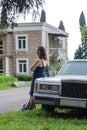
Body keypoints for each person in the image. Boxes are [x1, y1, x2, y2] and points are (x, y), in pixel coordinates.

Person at [21, 45, 48, 110]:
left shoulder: (38, 60)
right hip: (42, 78)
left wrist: (34, 69)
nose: (36, 51)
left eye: (37, 50)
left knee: (32, 93)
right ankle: (29, 106)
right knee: (34, 92)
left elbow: (31, 68)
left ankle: (29, 106)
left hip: (36, 77)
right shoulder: (44, 60)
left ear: (39, 51)